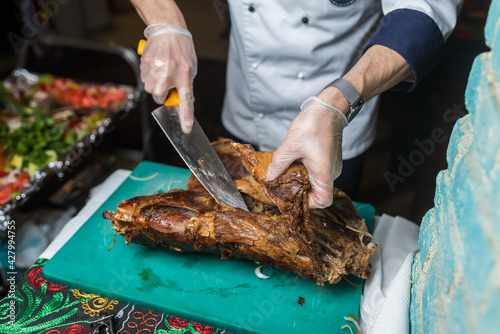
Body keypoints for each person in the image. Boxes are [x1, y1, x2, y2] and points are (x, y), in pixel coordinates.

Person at [130, 0, 463, 208]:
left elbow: (422, 15)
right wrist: (166, 23)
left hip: (333, 121)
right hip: (245, 106)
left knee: (317, 229)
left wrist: (337, 104)